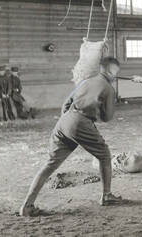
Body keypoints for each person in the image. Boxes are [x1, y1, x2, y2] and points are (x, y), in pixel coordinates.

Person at [19, 57, 123, 216]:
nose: (116, 75)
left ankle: (27, 205)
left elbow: (66, 103)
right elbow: (107, 118)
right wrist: (110, 103)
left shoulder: (85, 81)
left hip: (64, 121)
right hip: (80, 122)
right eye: (116, 72)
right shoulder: (108, 89)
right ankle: (106, 195)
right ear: (109, 71)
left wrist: (68, 122)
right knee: (105, 155)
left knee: (50, 163)